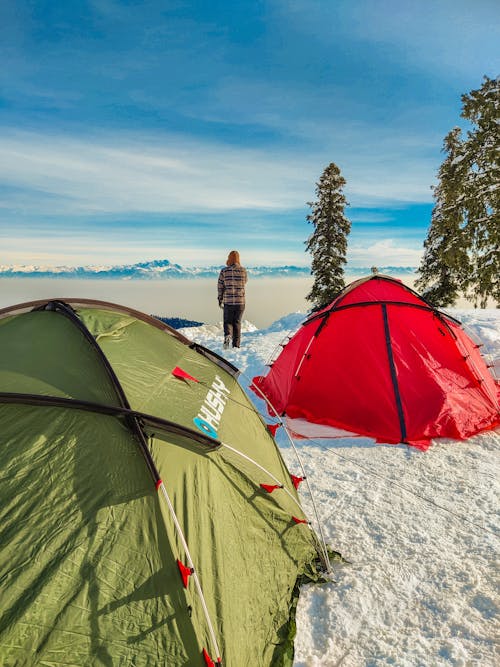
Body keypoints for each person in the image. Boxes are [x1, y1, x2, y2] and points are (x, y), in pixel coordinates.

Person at [217, 250, 247, 349]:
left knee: (228, 322)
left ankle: (227, 337)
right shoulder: (243, 270)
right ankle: (236, 345)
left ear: (229, 258)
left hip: (228, 301)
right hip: (240, 302)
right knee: (237, 322)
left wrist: (220, 298)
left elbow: (220, 286)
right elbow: (245, 282)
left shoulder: (224, 271)